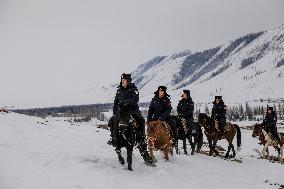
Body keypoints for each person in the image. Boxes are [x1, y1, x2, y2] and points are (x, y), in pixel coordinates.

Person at [108, 73, 154, 166]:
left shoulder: (134, 89)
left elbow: (135, 100)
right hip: (121, 113)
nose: (122, 82)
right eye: (122, 80)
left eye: (124, 80)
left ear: (128, 81)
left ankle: (142, 139)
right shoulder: (118, 91)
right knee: (112, 121)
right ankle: (114, 138)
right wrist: (114, 113)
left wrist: (125, 102)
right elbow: (115, 103)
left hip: (132, 112)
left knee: (141, 121)